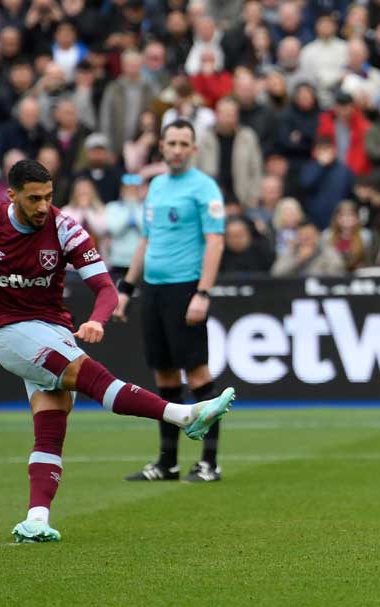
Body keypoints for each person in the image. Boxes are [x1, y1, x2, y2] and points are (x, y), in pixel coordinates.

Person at [0, 158, 234, 542]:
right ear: (11, 195)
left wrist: (97, 319)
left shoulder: (64, 227)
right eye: (34, 198)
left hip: (53, 331)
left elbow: (106, 289)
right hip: (10, 333)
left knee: (51, 427)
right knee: (88, 374)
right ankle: (183, 415)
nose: (43, 206)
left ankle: (36, 519)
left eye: (48, 197)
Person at [114, 119, 228, 483]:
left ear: (194, 149)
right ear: (161, 146)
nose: (177, 149)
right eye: (172, 142)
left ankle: (210, 462)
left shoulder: (204, 187)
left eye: (184, 143)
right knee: (163, 372)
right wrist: (126, 289)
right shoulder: (157, 187)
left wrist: (203, 293)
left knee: (197, 373)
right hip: (154, 289)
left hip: (185, 289)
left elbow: (215, 242)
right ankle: (168, 463)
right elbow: (146, 241)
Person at [104, 174, 146, 276]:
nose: (131, 192)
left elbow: (145, 229)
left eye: (135, 189)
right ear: (122, 190)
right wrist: (129, 208)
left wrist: (134, 206)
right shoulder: (112, 207)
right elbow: (115, 229)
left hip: (140, 260)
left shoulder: (146, 207)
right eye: (128, 189)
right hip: (118, 260)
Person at [271, 222, 346, 277]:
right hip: (293, 291)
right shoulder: (291, 251)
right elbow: (276, 273)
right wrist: (298, 260)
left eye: (309, 235)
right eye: (302, 235)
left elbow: (338, 274)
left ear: (318, 236)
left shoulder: (327, 251)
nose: (306, 239)